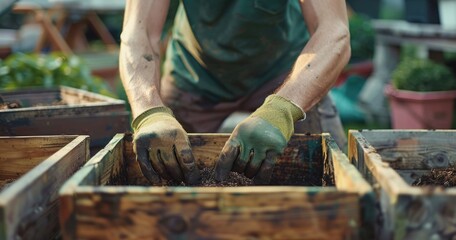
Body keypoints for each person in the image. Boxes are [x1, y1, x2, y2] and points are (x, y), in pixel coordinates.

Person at [119, 0, 351, 185]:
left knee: (335, 177)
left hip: (286, 71)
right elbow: (138, 33)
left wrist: (283, 109)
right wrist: (149, 112)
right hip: (194, 74)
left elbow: (334, 32)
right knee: (159, 172)